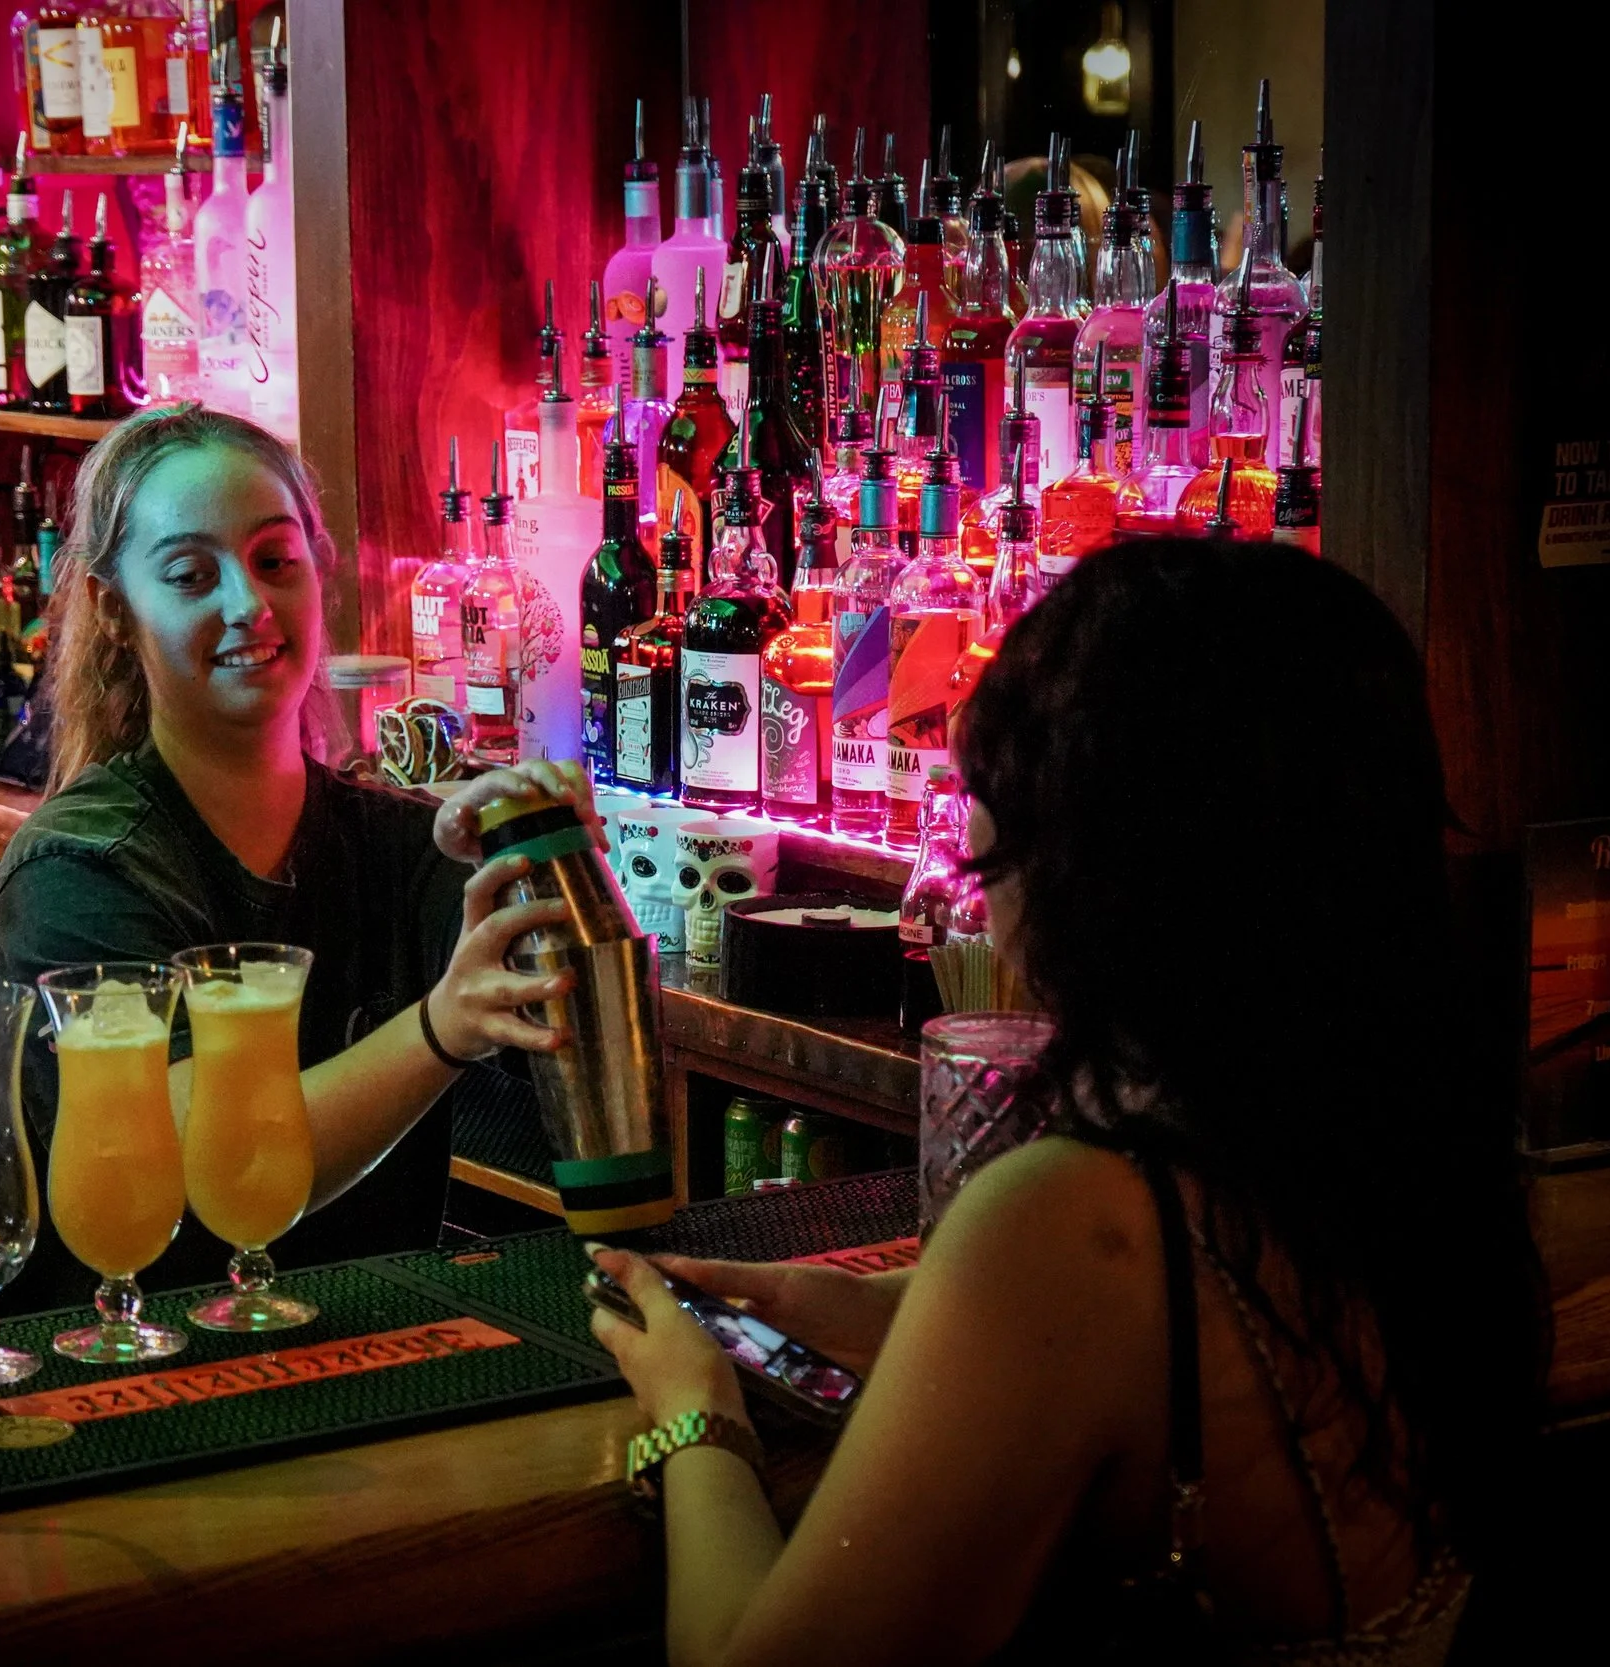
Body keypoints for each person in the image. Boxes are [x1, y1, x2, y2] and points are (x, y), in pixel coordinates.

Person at [590, 542, 1545, 1664]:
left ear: (1100, 865)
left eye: (990, 805)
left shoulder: (1069, 1218)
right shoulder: (1410, 1147)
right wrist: (874, 1310)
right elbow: (1135, 1348)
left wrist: (696, 1413)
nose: (970, 852)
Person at [0, 405, 592, 1305]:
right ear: (116, 612)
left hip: (371, 1362)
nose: (248, 604)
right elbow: (206, 1172)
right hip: (129, 1386)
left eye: (275, 561)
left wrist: (553, 854)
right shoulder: (81, 872)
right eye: (192, 574)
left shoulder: (403, 848)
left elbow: (598, 1087)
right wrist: (438, 1030)